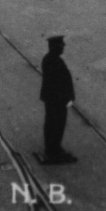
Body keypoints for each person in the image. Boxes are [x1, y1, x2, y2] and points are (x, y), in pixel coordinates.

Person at [40, 35, 77, 164]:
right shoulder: (53, 61)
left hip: (53, 99)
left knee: (53, 124)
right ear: (54, 47)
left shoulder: (51, 59)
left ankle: (54, 148)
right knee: (56, 125)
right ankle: (53, 151)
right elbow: (58, 83)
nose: (63, 49)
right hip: (56, 101)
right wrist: (67, 97)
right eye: (61, 47)